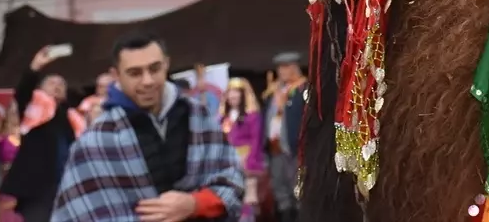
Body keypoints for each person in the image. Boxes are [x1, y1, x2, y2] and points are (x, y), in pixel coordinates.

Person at [52, 32, 244, 222]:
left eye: (154, 69)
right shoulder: (96, 140)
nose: (147, 81)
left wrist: (194, 204)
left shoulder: (197, 115)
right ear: (116, 75)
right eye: (135, 73)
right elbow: (75, 213)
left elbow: (231, 179)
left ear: (166, 64)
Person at [1, 46, 84, 222]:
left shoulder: (72, 117)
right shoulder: (33, 109)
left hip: (66, 184)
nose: (57, 86)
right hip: (37, 187)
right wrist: (35, 67)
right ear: (41, 88)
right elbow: (23, 91)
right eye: (52, 82)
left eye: (61, 84)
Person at [260, 52, 305, 222]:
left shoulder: (303, 89)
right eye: (279, 68)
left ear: (294, 67)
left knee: (298, 189)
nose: (281, 71)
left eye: (285, 67)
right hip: (275, 147)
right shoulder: (274, 91)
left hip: (294, 148)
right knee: (280, 188)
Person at [220, 78, 263, 220]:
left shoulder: (252, 115)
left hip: (246, 160)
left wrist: (252, 162)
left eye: (236, 92)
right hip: (227, 162)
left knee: (248, 198)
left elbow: (256, 140)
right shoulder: (223, 117)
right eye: (230, 92)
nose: (232, 95)